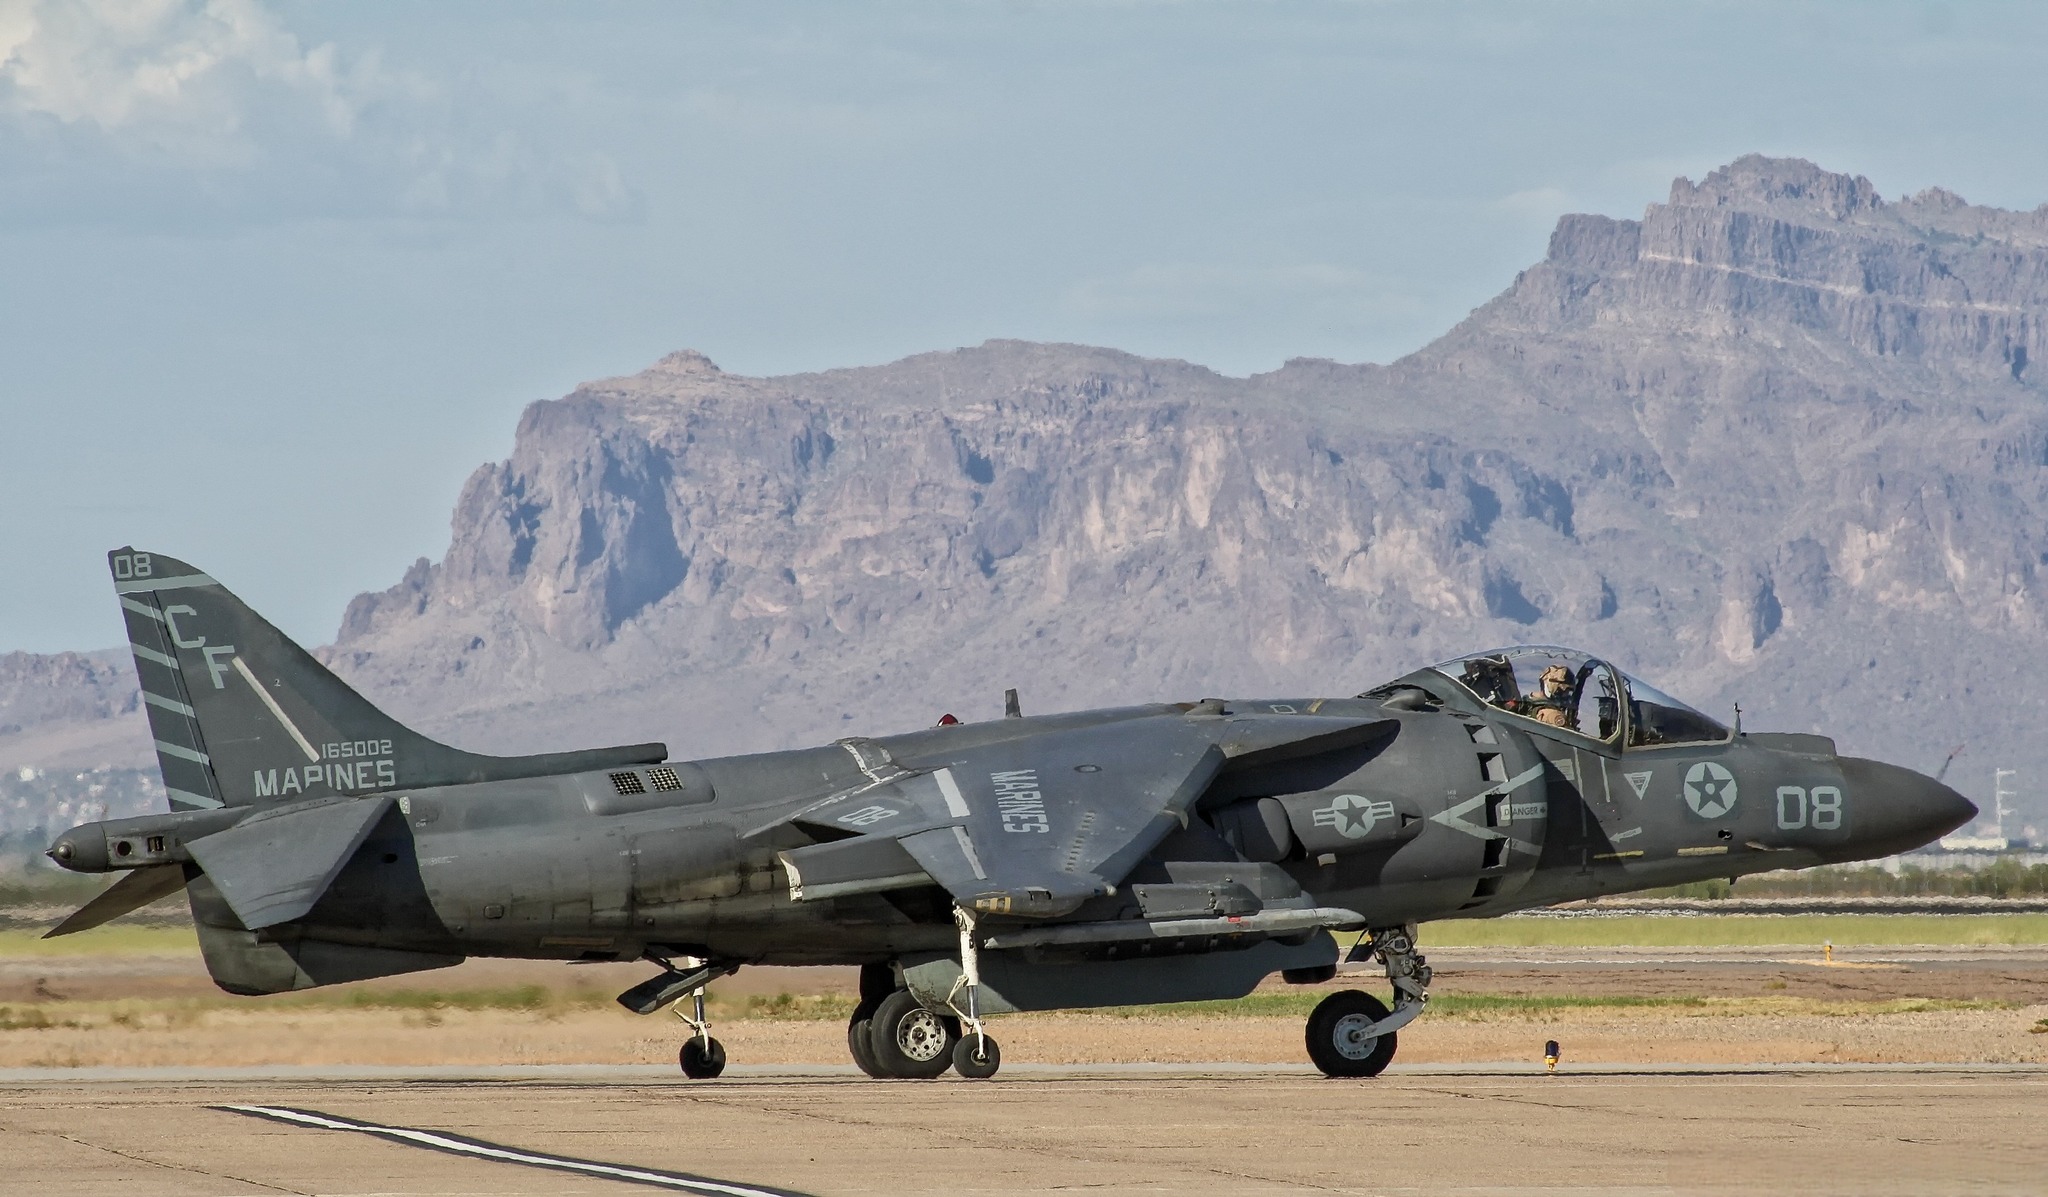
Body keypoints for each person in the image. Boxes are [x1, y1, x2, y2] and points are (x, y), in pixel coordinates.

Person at [1514, 663, 1576, 729]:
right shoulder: (1552, 714)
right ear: (1554, 687)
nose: (1566, 695)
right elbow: (1568, 736)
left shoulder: (1531, 702)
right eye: (1565, 691)